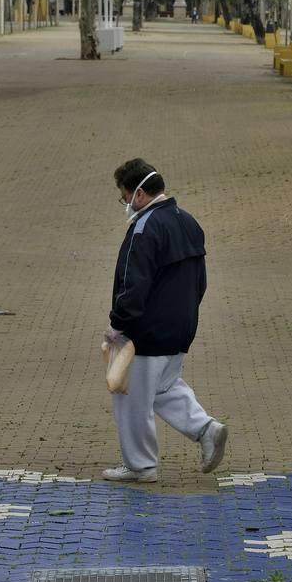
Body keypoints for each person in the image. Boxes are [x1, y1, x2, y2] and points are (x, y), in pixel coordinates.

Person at [103, 158, 228, 483]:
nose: (125, 203)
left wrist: (118, 324)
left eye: (124, 196)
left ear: (139, 194)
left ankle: (140, 465)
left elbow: (134, 282)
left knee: (128, 394)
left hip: (145, 330)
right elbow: (200, 280)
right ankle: (205, 429)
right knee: (163, 387)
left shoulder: (145, 228)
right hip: (181, 326)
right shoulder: (188, 222)